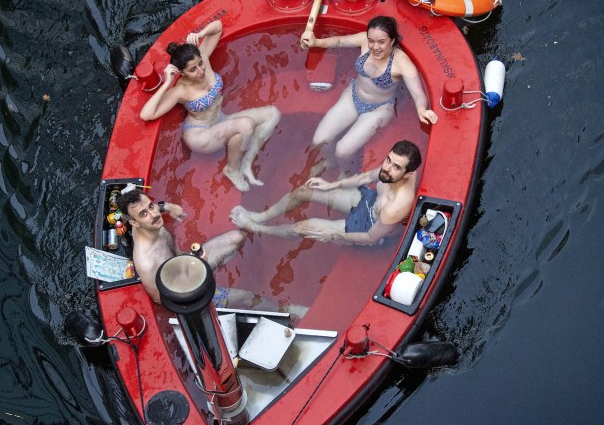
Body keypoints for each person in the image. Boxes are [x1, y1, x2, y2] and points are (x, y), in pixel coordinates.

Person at [139, 20, 281, 192]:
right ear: (182, 72)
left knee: (272, 114)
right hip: (200, 135)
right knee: (245, 125)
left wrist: (201, 34)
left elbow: (218, 27)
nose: (200, 71)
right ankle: (232, 170)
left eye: (200, 63)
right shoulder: (180, 91)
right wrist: (167, 83)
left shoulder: (204, 59)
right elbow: (146, 114)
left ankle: (246, 161)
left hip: (220, 120)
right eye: (192, 70)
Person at [300, 16, 437, 170]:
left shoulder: (402, 62)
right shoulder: (364, 41)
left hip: (378, 109)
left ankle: (345, 172)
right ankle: (330, 162)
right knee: (319, 140)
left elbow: (418, 94)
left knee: (343, 151)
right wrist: (317, 42)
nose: (375, 47)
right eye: (371, 41)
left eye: (381, 42)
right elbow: (339, 41)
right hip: (353, 96)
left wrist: (421, 109)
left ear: (392, 41)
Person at [229, 140, 422, 246]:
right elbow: (365, 178)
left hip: (369, 226)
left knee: (302, 228)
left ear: (408, 174)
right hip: (370, 200)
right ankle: (262, 216)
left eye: (396, 167)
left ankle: (256, 228)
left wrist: (335, 235)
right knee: (305, 190)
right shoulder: (390, 171)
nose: (387, 168)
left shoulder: (396, 206)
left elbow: (371, 237)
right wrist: (331, 185)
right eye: (388, 160)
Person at [120, 189, 245, 305]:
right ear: (134, 223)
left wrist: (168, 207)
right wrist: (195, 272)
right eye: (143, 214)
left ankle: (213, 267)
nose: (154, 214)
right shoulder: (147, 262)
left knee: (238, 237)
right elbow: (160, 299)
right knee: (247, 297)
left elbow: (147, 208)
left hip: (189, 259)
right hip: (187, 288)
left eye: (151, 206)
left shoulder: (150, 222)